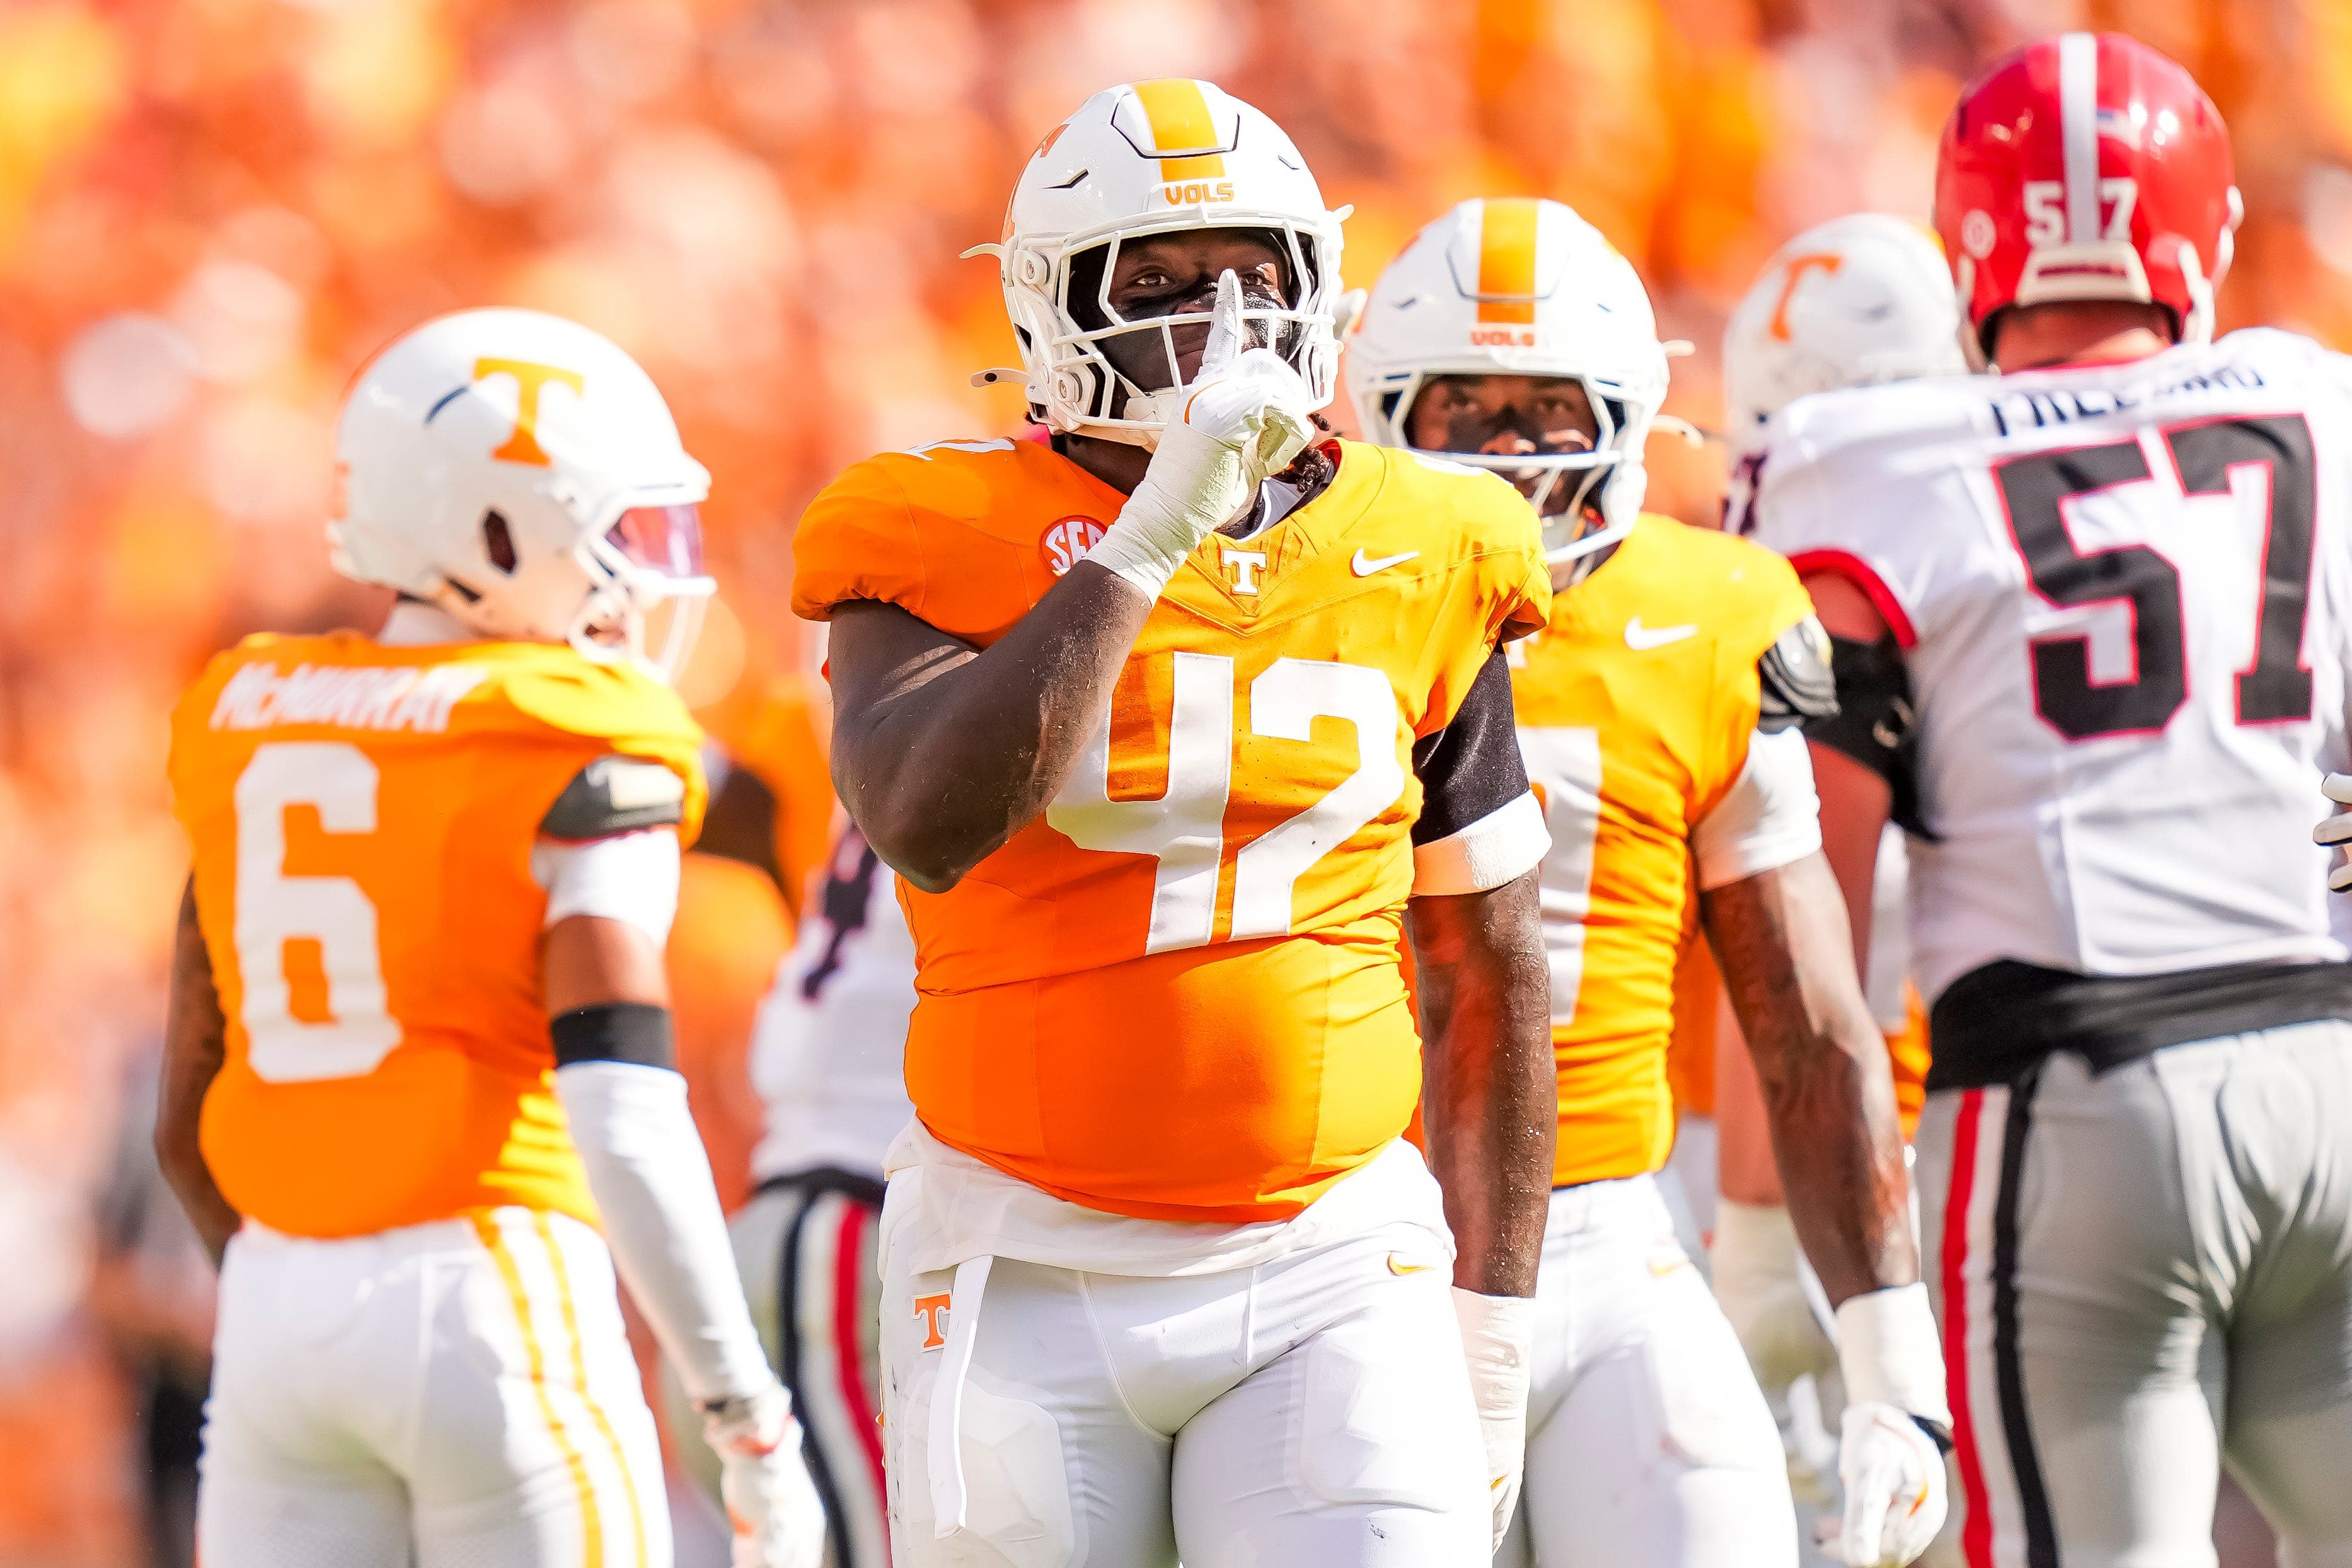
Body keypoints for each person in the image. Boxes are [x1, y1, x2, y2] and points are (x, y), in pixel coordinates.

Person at [795, 79, 1559, 1565]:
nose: (1219, 323)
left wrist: (1494, 1335)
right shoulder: (933, 523)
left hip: (1333, 1250)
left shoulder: (1428, 540)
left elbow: (1489, 969)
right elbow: (925, 819)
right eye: (1154, 287)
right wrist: (1154, 530)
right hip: (1022, 1257)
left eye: (1252, 278)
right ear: (1051, 308)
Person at [1751, 34, 2352, 1567]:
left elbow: (1813, 922)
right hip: (2332, 1070)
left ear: (1970, 250)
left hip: (2074, 1092)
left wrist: (1776, 1225)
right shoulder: (2315, 402)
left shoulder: (1863, 461)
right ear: (2203, 237)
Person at [156, 308, 826, 1568]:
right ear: (496, 534)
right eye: (620, 532)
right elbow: (622, 1110)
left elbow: (185, 1088)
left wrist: (287, 1280)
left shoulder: (248, 709)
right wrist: (745, 1411)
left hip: (276, 1304)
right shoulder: (571, 730)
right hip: (488, 1285)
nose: (649, 572)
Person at [1346, 195, 1950, 1568]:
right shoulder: (1317, 601)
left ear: (1623, 415)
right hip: (1359, 1235)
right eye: (1464, 406)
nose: (1508, 449)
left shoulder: (1711, 616)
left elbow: (1806, 1018)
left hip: (1610, 1233)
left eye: (1547, 409)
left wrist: (1894, 1369)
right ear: (1387, 410)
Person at [1712, 210, 1964, 1431]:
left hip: (1794, 1140)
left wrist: (1756, 1216)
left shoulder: (1755, 554)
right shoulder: (1946, 537)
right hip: (1924, 1128)